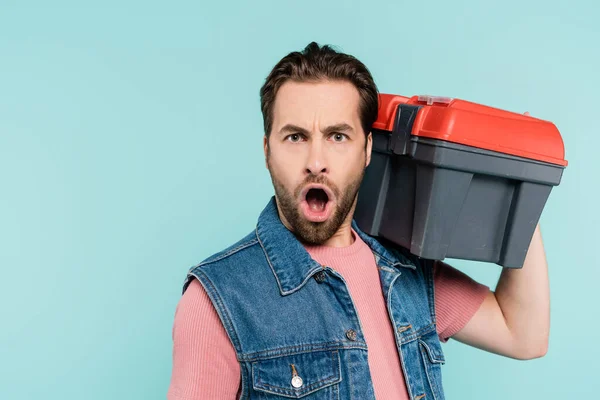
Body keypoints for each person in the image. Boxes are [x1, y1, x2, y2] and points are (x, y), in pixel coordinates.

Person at [167, 42, 549, 400]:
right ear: (267, 150)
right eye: (296, 137)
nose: (316, 161)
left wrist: (518, 180)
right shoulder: (218, 299)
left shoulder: (410, 275)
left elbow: (524, 334)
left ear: (367, 150)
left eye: (337, 136)